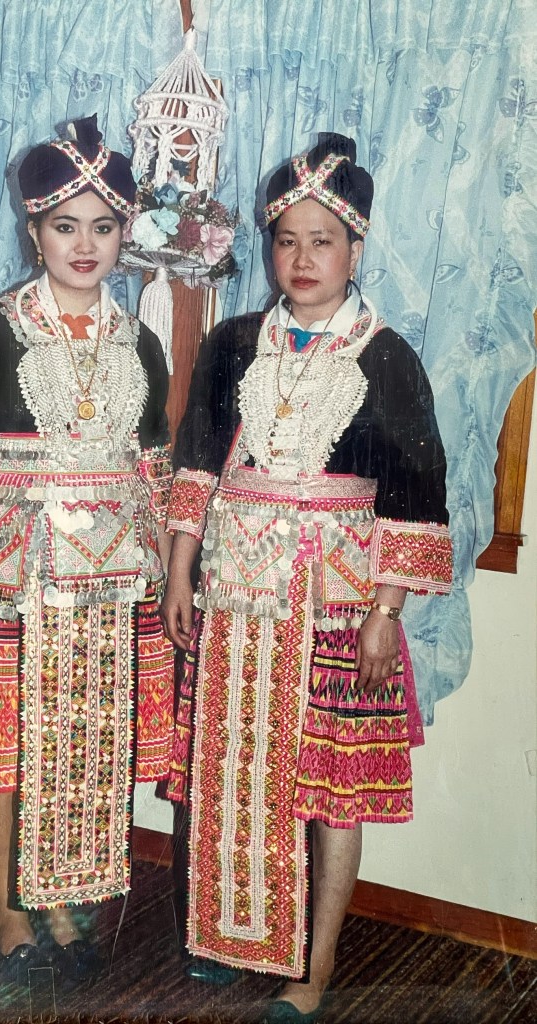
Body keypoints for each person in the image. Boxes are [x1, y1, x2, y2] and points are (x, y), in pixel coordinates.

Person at [161, 133, 453, 1023]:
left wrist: (384, 612)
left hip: (336, 608)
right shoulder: (232, 344)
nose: (301, 259)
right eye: (286, 240)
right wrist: (179, 573)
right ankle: (225, 936)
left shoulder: (386, 355)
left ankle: (314, 968)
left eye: (321, 241)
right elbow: (197, 465)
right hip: (237, 598)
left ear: (354, 250)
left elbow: (414, 495)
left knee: (330, 790)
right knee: (229, 769)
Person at [0, 115, 174, 985]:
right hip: (12, 579)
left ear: (124, 233)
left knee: (90, 746)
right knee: (7, 751)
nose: (84, 245)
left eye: (102, 226)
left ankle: (63, 902)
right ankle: (9, 912)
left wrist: (162, 580)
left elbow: (152, 473)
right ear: (34, 231)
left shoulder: (142, 342)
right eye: (64, 226)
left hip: (111, 586)